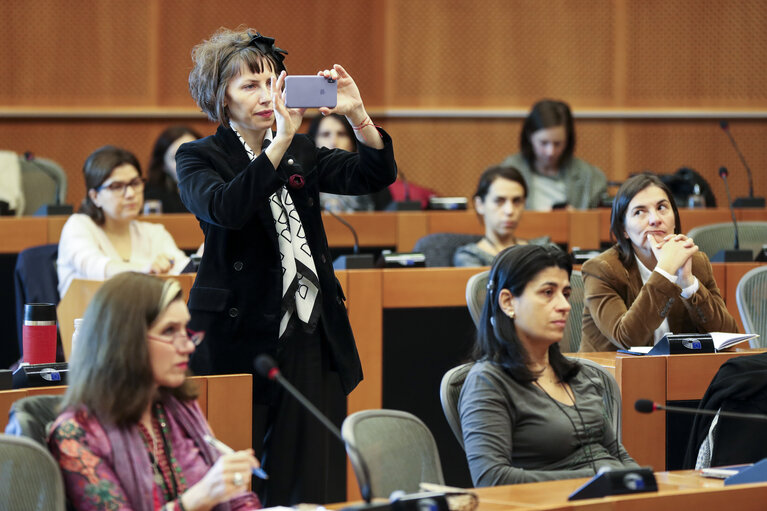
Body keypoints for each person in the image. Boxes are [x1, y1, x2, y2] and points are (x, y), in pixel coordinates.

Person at [176, 28, 397, 506]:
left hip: (310, 328)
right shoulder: (199, 156)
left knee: (311, 472)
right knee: (244, 473)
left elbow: (374, 175)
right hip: (239, 337)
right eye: (249, 85)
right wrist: (277, 144)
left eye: (272, 81)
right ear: (220, 97)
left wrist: (357, 116)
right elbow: (226, 209)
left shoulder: (302, 150)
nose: (265, 94)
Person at [48, 272, 262, 510]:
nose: (189, 346)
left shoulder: (177, 407)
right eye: (169, 331)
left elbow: (233, 499)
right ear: (125, 340)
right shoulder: (77, 434)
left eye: (186, 331)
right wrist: (199, 498)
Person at [458, 244, 638, 486]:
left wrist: (641, 482)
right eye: (547, 293)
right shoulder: (487, 381)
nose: (564, 305)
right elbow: (492, 479)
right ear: (508, 302)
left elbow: (619, 455)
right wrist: (598, 478)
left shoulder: (580, 374)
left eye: (565, 293)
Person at [579, 173, 738, 352]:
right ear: (624, 229)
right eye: (639, 212)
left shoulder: (696, 263)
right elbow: (627, 338)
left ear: (675, 219)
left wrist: (688, 283)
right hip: (612, 376)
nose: (655, 219)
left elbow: (728, 337)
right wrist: (665, 271)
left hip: (678, 373)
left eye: (662, 207)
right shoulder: (602, 269)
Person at [57, 145, 190, 297]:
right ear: (94, 196)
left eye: (135, 183)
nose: (130, 194)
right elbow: (95, 267)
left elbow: (182, 270)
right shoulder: (79, 225)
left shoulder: (154, 233)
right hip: (85, 318)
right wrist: (143, 271)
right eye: (117, 186)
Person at [499, 99, 607, 211]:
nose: (550, 151)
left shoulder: (590, 177)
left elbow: (600, 222)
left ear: (568, 140)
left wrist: (577, 220)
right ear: (529, 137)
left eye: (558, 143)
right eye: (543, 143)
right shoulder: (508, 172)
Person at [453, 165, 550, 267]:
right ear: (480, 204)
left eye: (517, 201)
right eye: (499, 201)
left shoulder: (544, 248)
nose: (510, 211)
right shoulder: (470, 256)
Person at [307, 113, 391, 212]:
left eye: (341, 134)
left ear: (352, 141)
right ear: (313, 141)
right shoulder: (303, 181)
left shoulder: (371, 180)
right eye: (325, 134)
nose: (333, 142)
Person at [145, 125, 202, 213]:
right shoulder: (152, 197)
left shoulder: (218, 190)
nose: (186, 163)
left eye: (192, 155)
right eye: (176, 158)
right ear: (163, 165)